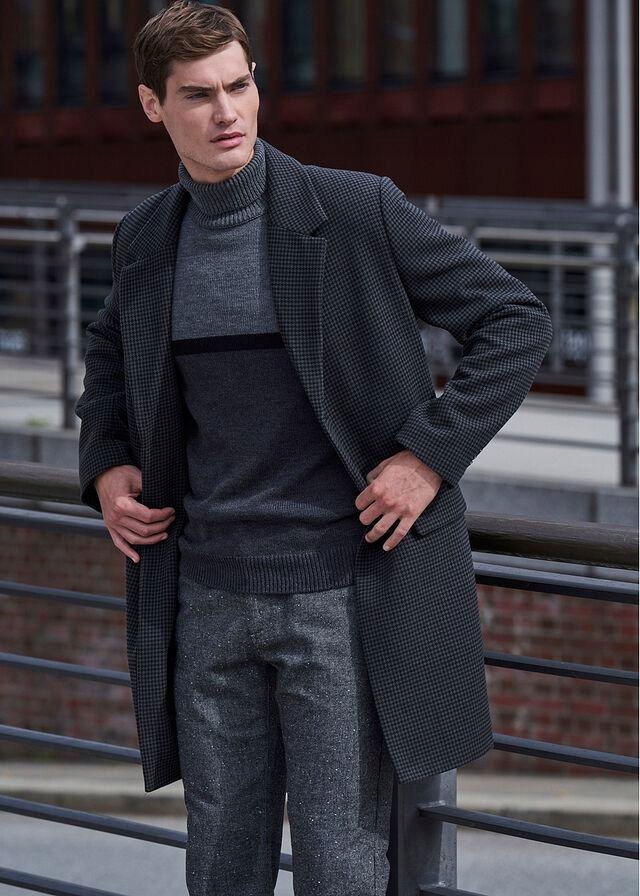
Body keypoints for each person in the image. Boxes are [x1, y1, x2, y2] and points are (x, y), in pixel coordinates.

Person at [75, 3, 553, 895]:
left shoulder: (354, 209)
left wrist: (427, 455)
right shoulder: (147, 238)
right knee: (220, 866)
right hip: (205, 594)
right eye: (198, 95)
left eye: (240, 85)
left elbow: (516, 320)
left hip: (340, 594)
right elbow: (108, 358)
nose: (227, 112)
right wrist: (105, 462)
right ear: (152, 105)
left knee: (340, 866)